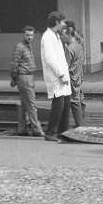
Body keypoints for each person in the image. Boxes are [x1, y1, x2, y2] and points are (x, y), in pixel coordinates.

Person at [40, 10, 71, 141]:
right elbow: (51, 59)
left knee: (66, 104)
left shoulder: (55, 36)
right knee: (58, 105)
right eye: (62, 21)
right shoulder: (47, 37)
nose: (64, 24)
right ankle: (50, 132)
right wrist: (61, 75)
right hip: (56, 77)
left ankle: (63, 132)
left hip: (62, 76)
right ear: (56, 22)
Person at [9, 25, 44, 137]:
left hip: (28, 77)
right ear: (23, 35)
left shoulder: (29, 46)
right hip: (24, 77)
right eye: (27, 35)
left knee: (24, 105)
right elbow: (14, 63)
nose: (30, 37)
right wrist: (14, 78)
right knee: (32, 104)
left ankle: (22, 129)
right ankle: (37, 129)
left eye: (31, 35)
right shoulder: (20, 47)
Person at [62, 20, 86, 127]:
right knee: (79, 98)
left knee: (74, 101)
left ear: (68, 33)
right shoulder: (79, 44)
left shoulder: (69, 48)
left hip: (71, 77)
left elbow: (65, 66)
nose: (61, 37)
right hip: (78, 75)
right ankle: (80, 121)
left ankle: (79, 125)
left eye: (62, 35)